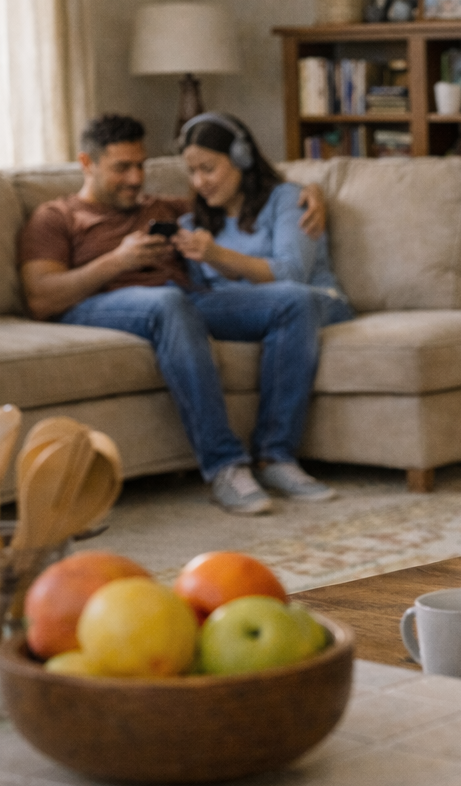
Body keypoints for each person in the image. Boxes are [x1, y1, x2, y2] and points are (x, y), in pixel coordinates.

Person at [19, 114, 333, 515]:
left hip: (185, 300)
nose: (136, 178)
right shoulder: (56, 216)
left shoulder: (162, 208)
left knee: (296, 300)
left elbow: (244, 192)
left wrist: (310, 191)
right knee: (167, 304)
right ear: (87, 163)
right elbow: (41, 298)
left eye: (140, 165)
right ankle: (224, 465)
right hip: (102, 304)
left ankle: (275, 456)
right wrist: (116, 262)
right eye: (122, 168)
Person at [174, 112, 353, 330]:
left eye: (208, 169)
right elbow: (202, 294)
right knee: (179, 305)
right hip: (246, 309)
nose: (199, 182)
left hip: (312, 301)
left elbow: (292, 275)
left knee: (291, 301)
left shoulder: (287, 199)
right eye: (192, 171)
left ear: (242, 158)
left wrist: (218, 255)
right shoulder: (191, 223)